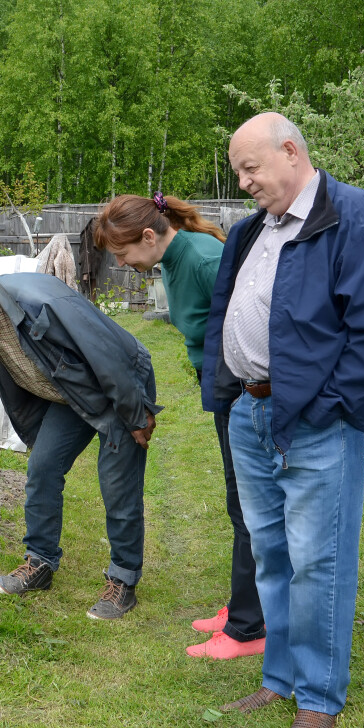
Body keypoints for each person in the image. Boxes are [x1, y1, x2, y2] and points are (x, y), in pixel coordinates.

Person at [201, 112, 364, 728]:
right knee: (272, 554)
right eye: (239, 171)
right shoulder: (251, 232)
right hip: (251, 413)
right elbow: (223, 311)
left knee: (319, 560)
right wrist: (228, 392)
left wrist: (328, 409)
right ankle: (281, 676)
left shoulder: (353, 216)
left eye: (250, 168)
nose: (243, 183)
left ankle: (318, 696)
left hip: (316, 422)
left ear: (291, 152)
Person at [0, 258, 161, 619]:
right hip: (71, 394)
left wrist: (135, 411)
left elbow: (104, 353)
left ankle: (123, 580)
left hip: (116, 383)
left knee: (117, 485)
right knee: (42, 469)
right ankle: (40, 563)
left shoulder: (36, 302)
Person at [92, 193, 266, 660]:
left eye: (124, 253)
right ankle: (247, 608)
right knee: (240, 503)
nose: (124, 264)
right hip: (224, 388)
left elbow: (257, 332)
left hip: (245, 391)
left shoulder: (204, 261)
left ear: (149, 236)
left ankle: (252, 628)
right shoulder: (173, 257)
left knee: (248, 505)